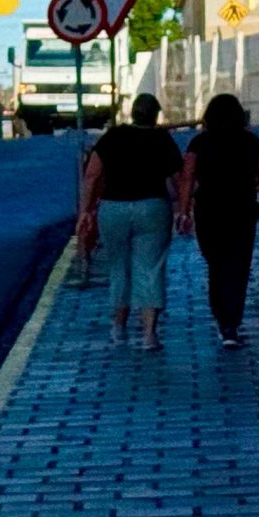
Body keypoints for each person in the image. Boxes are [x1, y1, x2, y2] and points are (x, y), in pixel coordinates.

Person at [78, 92, 183, 349]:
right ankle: (149, 334)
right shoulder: (162, 139)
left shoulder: (112, 137)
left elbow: (92, 175)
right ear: (155, 116)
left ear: (132, 113)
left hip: (114, 208)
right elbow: (179, 178)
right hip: (153, 208)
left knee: (119, 267)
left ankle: (119, 327)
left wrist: (86, 210)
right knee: (151, 267)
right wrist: (184, 208)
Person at [176, 91, 259, 349]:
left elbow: (187, 178)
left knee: (216, 266)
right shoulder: (251, 141)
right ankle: (232, 322)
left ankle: (223, 320)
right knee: (239, 266)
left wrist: (183, 211)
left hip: (209, 211)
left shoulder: (198, 143)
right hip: (242, 210)